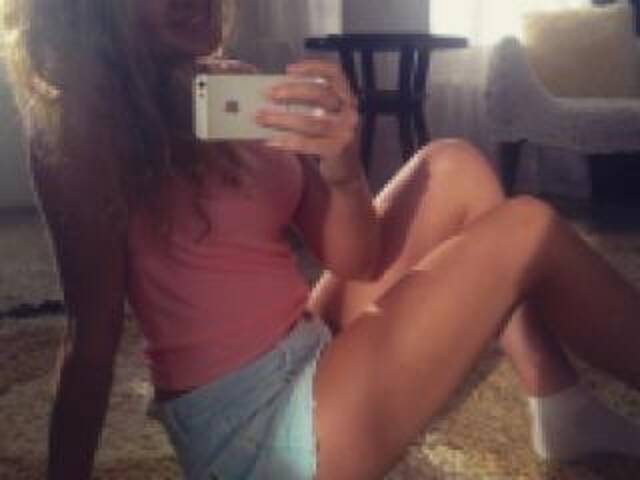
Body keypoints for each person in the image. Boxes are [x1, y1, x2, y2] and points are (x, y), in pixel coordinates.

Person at [1, 1, 639, 479]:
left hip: (307, 343)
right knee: (526, 228)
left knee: (455, 166)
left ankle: (555, 398)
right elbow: (90, 341)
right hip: (257, 429)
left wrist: (342, 170)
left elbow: (355, 259)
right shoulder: (83, 128)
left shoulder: (232, 88)